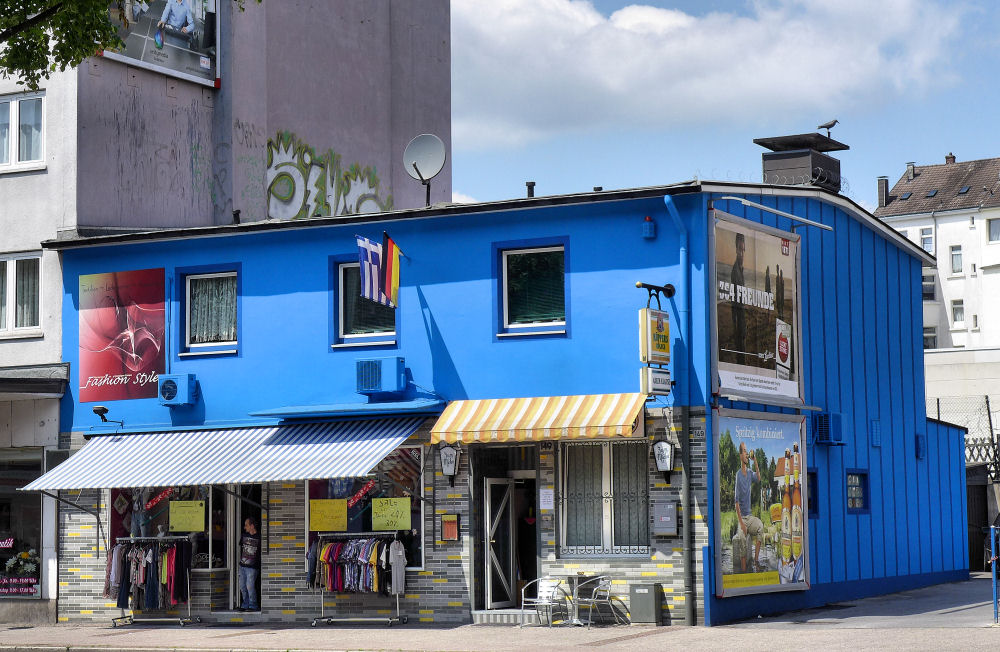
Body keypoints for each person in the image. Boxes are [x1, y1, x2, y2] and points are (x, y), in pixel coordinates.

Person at [732, 441, 763, 573]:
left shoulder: (750, 473)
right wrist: (742, 524)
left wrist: (755, 460)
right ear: (740, 455)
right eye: (744, 451)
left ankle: (756, 561)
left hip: (750, 517)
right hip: (742, 519)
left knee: (761, 527)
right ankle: (744, 571)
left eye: (746, 451)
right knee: (742, 541)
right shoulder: (738, 475)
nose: (746, 453)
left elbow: (759, 478)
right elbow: (736, 502)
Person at [237, 517, 260, 611]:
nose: (244, 527)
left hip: (253, 567)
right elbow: (240, 548)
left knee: (249, 586)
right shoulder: (243, 536)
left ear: (252, 526)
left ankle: (253, 605)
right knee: (242, 586)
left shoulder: (259, 537)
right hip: (242, 566)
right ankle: (245, 604)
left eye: (246, 525)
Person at [730, 232, 747, 358]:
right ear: (736, 250)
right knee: (740, 342)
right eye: (740, 249)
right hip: (738, 314)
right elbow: (734, 298)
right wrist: (734, 320)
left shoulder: (741, 269)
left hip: (742, 314)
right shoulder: (735, 270)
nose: (742, 253)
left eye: (743, 249)